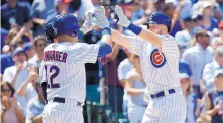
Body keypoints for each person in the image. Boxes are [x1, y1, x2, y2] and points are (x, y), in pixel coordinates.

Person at [94, 6, 186, 123]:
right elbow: (121, 38)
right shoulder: (144, 43)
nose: (151, 27)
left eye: (154, 25)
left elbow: (152, 37)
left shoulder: (170, 41)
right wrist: (104, 26)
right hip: (153, 101)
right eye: (149, 25)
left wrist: (128, 24)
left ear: (165, 26)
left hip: (171, 100)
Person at [41, 13, 112, 123]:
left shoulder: (48, 49)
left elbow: (68, 38)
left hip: (50, 109)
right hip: (69, 109)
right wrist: (106, 27)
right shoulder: (75, 49)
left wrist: (84, 29)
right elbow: (106, 48)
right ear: (72, 31)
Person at [125, 54, 146, 123]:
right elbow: (128, 91)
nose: (139, 59)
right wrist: (144, 90)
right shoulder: (130, 74)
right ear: (133, 59)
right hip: (135, 108)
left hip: (148, 108)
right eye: (137, 56)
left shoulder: (148, 73)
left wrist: (143, 79)